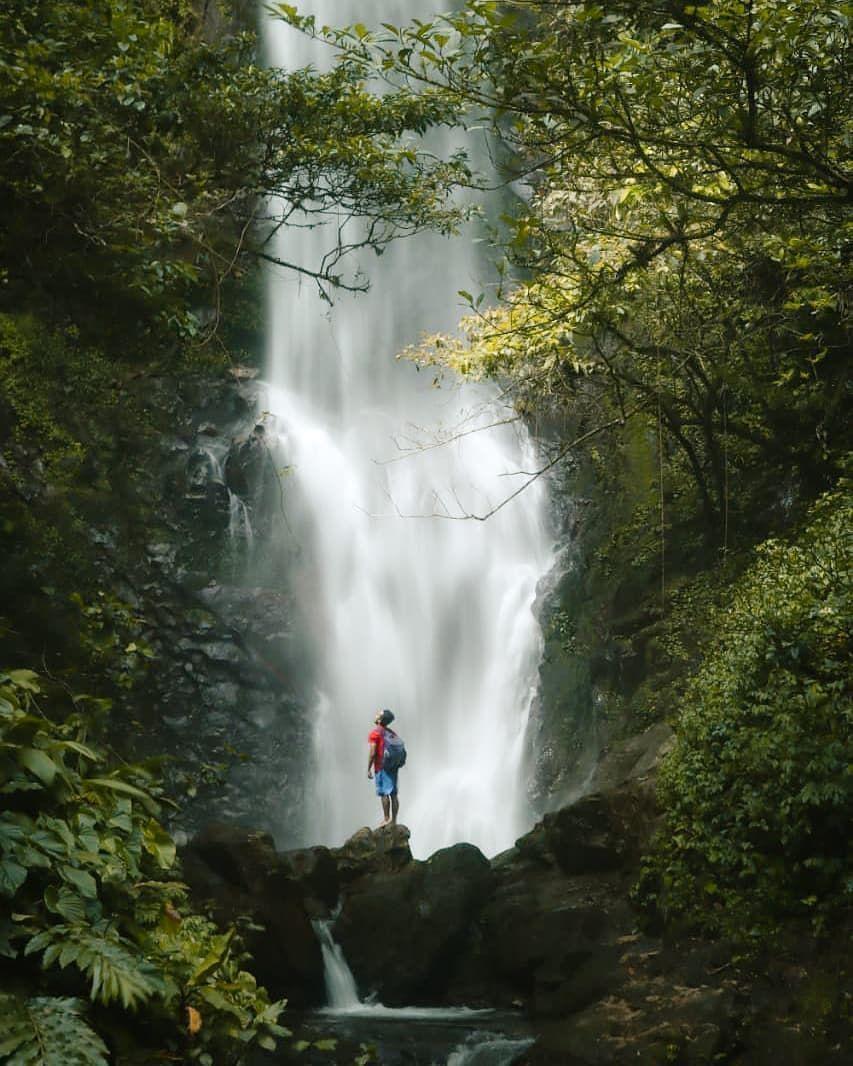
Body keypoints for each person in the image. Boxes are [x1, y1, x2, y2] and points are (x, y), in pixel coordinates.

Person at [367, 708, 400, 827]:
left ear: (380, 719)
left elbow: (372, 753)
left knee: (384, 793)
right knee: (394, 794)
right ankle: (394, 820)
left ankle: (386, 818)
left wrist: (369, 768)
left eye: (378, 714)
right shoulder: (391, 733)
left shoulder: (375, 733)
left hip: (381, 767)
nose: (376, 714)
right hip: (393, 767)